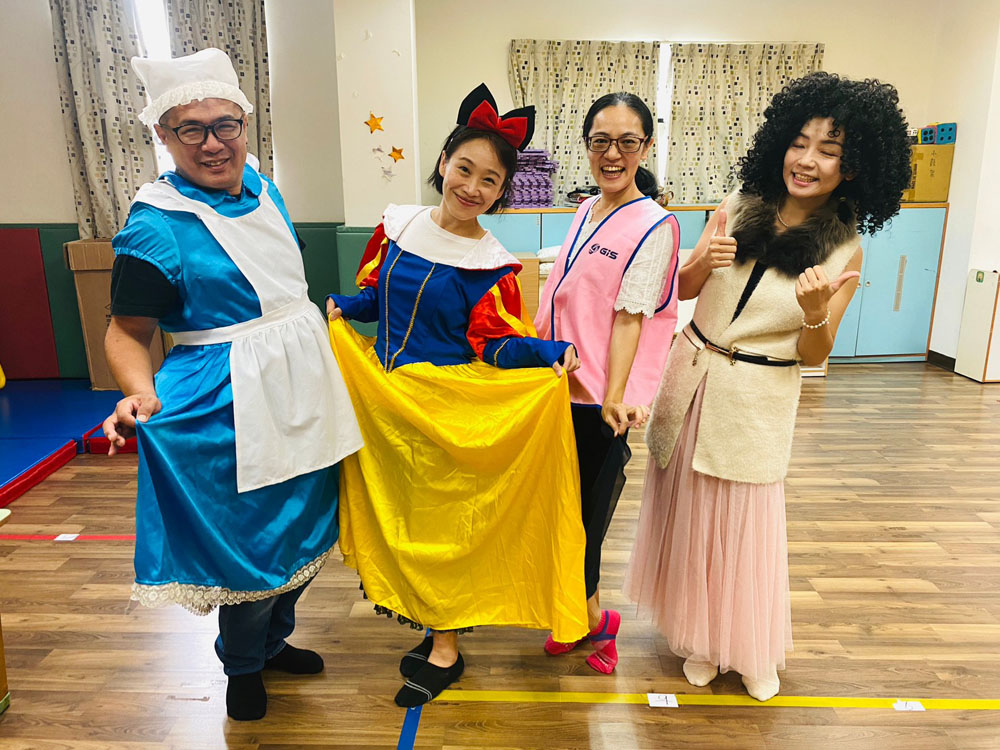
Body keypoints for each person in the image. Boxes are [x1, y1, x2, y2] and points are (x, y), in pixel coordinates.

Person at [625, 72, 912, 700]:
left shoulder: (845, 251)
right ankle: (700, 640)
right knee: (689, 518)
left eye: (828, 151)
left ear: (853, 168)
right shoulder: (737, 203)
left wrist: (813, 312)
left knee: (742, 527)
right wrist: (704, 260)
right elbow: (683, 289)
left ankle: (749, 648)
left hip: (755, 399)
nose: (806, 160)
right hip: (691, 380)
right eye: (799, 143)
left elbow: (815, 353)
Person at [101, 48, 362, 721]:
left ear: (245, 124)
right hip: (228, 407)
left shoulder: (265, 187)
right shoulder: (156, 224)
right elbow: (126, 331)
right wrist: (137, 392)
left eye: (226, 124)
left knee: (307, 528)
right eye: (191, 128)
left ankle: (273, 642)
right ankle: (242, 664)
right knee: (252, 547)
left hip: (304, 386)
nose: (213, 143)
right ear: (163, 135)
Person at [326, 83, 589, 707]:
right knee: (404, 518)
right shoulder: (398, 226)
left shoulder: (490, 265)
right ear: (444, 162)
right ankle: (428, 622)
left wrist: (549, 352)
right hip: (386, 402)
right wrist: (346, 306)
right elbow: (378, 298)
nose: (472, 187)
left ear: (502, 192)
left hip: (445, 409)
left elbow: (494, 345)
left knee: (442, 527)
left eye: (489, 180)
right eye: (464, 169)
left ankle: (445, 647)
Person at [534, 92, 680, 674]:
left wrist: (614, 397)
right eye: (600, 141)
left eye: (626, 142)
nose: (612, 154)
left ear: (646, 147)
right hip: (556, 386)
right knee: (560, 516)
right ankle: (577, 618)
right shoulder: (586, 209)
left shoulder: (655, 224)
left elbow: (630, 317)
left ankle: (599, 625)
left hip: (597, 399)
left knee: (583, 525)